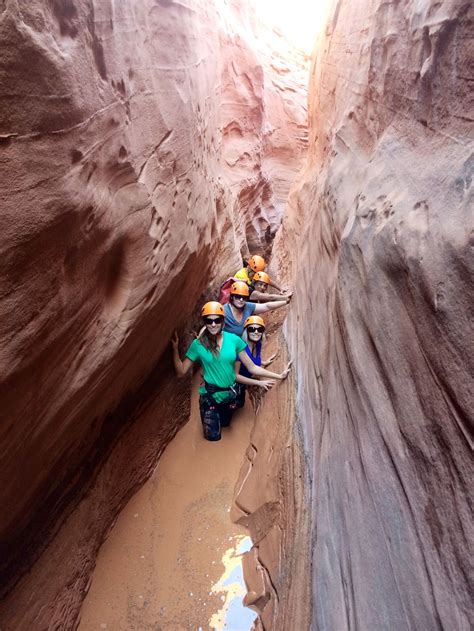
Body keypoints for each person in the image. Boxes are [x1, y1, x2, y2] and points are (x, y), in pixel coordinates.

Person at [172, 301, 291, 441]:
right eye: (209, 320)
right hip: (210, 398)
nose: (213, 324)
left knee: (226, 424)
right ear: (204, 322)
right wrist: (175, 350)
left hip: (229, 395)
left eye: (217, 320)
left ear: (222, 320)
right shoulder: (198, 345)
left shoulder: (234, 340)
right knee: (213, 438)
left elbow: (252, 367)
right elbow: (181, 372)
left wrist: (279, 375)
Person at [234, 315, 279, 409]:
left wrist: (263, 362)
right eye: (252, 329)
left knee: (240, 403)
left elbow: (250, 360)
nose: (256, 332)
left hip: (247, 380)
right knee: (236, 405)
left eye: (260, 329)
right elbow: (235, 376)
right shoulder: (241, 350)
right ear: (246, 331)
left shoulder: (257, 344)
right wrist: (258, 383)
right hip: (233, 384)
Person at [223, 281, 290, 338]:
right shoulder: (224, 311)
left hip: (242, 347)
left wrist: (286, 302)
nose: (241, 300)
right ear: (232, 297)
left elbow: (266, 306)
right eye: (238, 297)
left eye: (244, 297)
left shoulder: (247, 306)